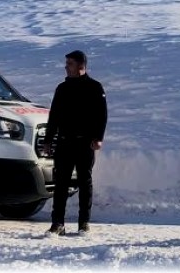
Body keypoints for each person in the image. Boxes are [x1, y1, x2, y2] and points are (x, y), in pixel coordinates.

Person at [41, 49, 107, 236]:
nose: (66, 67)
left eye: (69, 63)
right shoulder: (62, 89)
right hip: (64, 143)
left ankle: (83, 222)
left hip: (85, 143)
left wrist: (98, 138)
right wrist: (48, 140)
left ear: (81, 66)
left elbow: (101, 115)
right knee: (61, 183)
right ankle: (57, 223)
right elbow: (54, 117)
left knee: (85, 182)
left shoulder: (95, 87)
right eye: (66, 63)